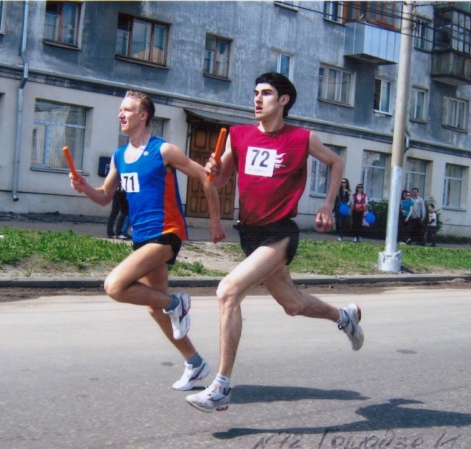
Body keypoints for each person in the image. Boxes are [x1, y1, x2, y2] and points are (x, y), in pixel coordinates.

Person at [186, 73, 364, 413]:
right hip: (250, 234)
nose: (257, 99)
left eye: (266, 93)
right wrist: (213, 169)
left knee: (228, 291)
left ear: (283, 100)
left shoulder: (301, 138)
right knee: (293, 304)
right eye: (255, 93)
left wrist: (328, 204)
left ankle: (221, 387)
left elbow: (336, 162)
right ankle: (344, 316)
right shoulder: (238, 135)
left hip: (280, 232)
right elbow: (220, 180)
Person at [69, 90, 226, 391]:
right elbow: (104, 197)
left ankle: (177, 302)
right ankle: (194, 362)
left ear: (143, 116)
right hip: (140, 236)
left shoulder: (163, 151)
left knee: (115, 286)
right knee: (155, 307)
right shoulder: (119, 156)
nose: (121, 114)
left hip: (166, 233)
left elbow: (205, 178)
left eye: (127, 109)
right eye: (120, 109)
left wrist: (215, 220)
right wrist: (84, 186)